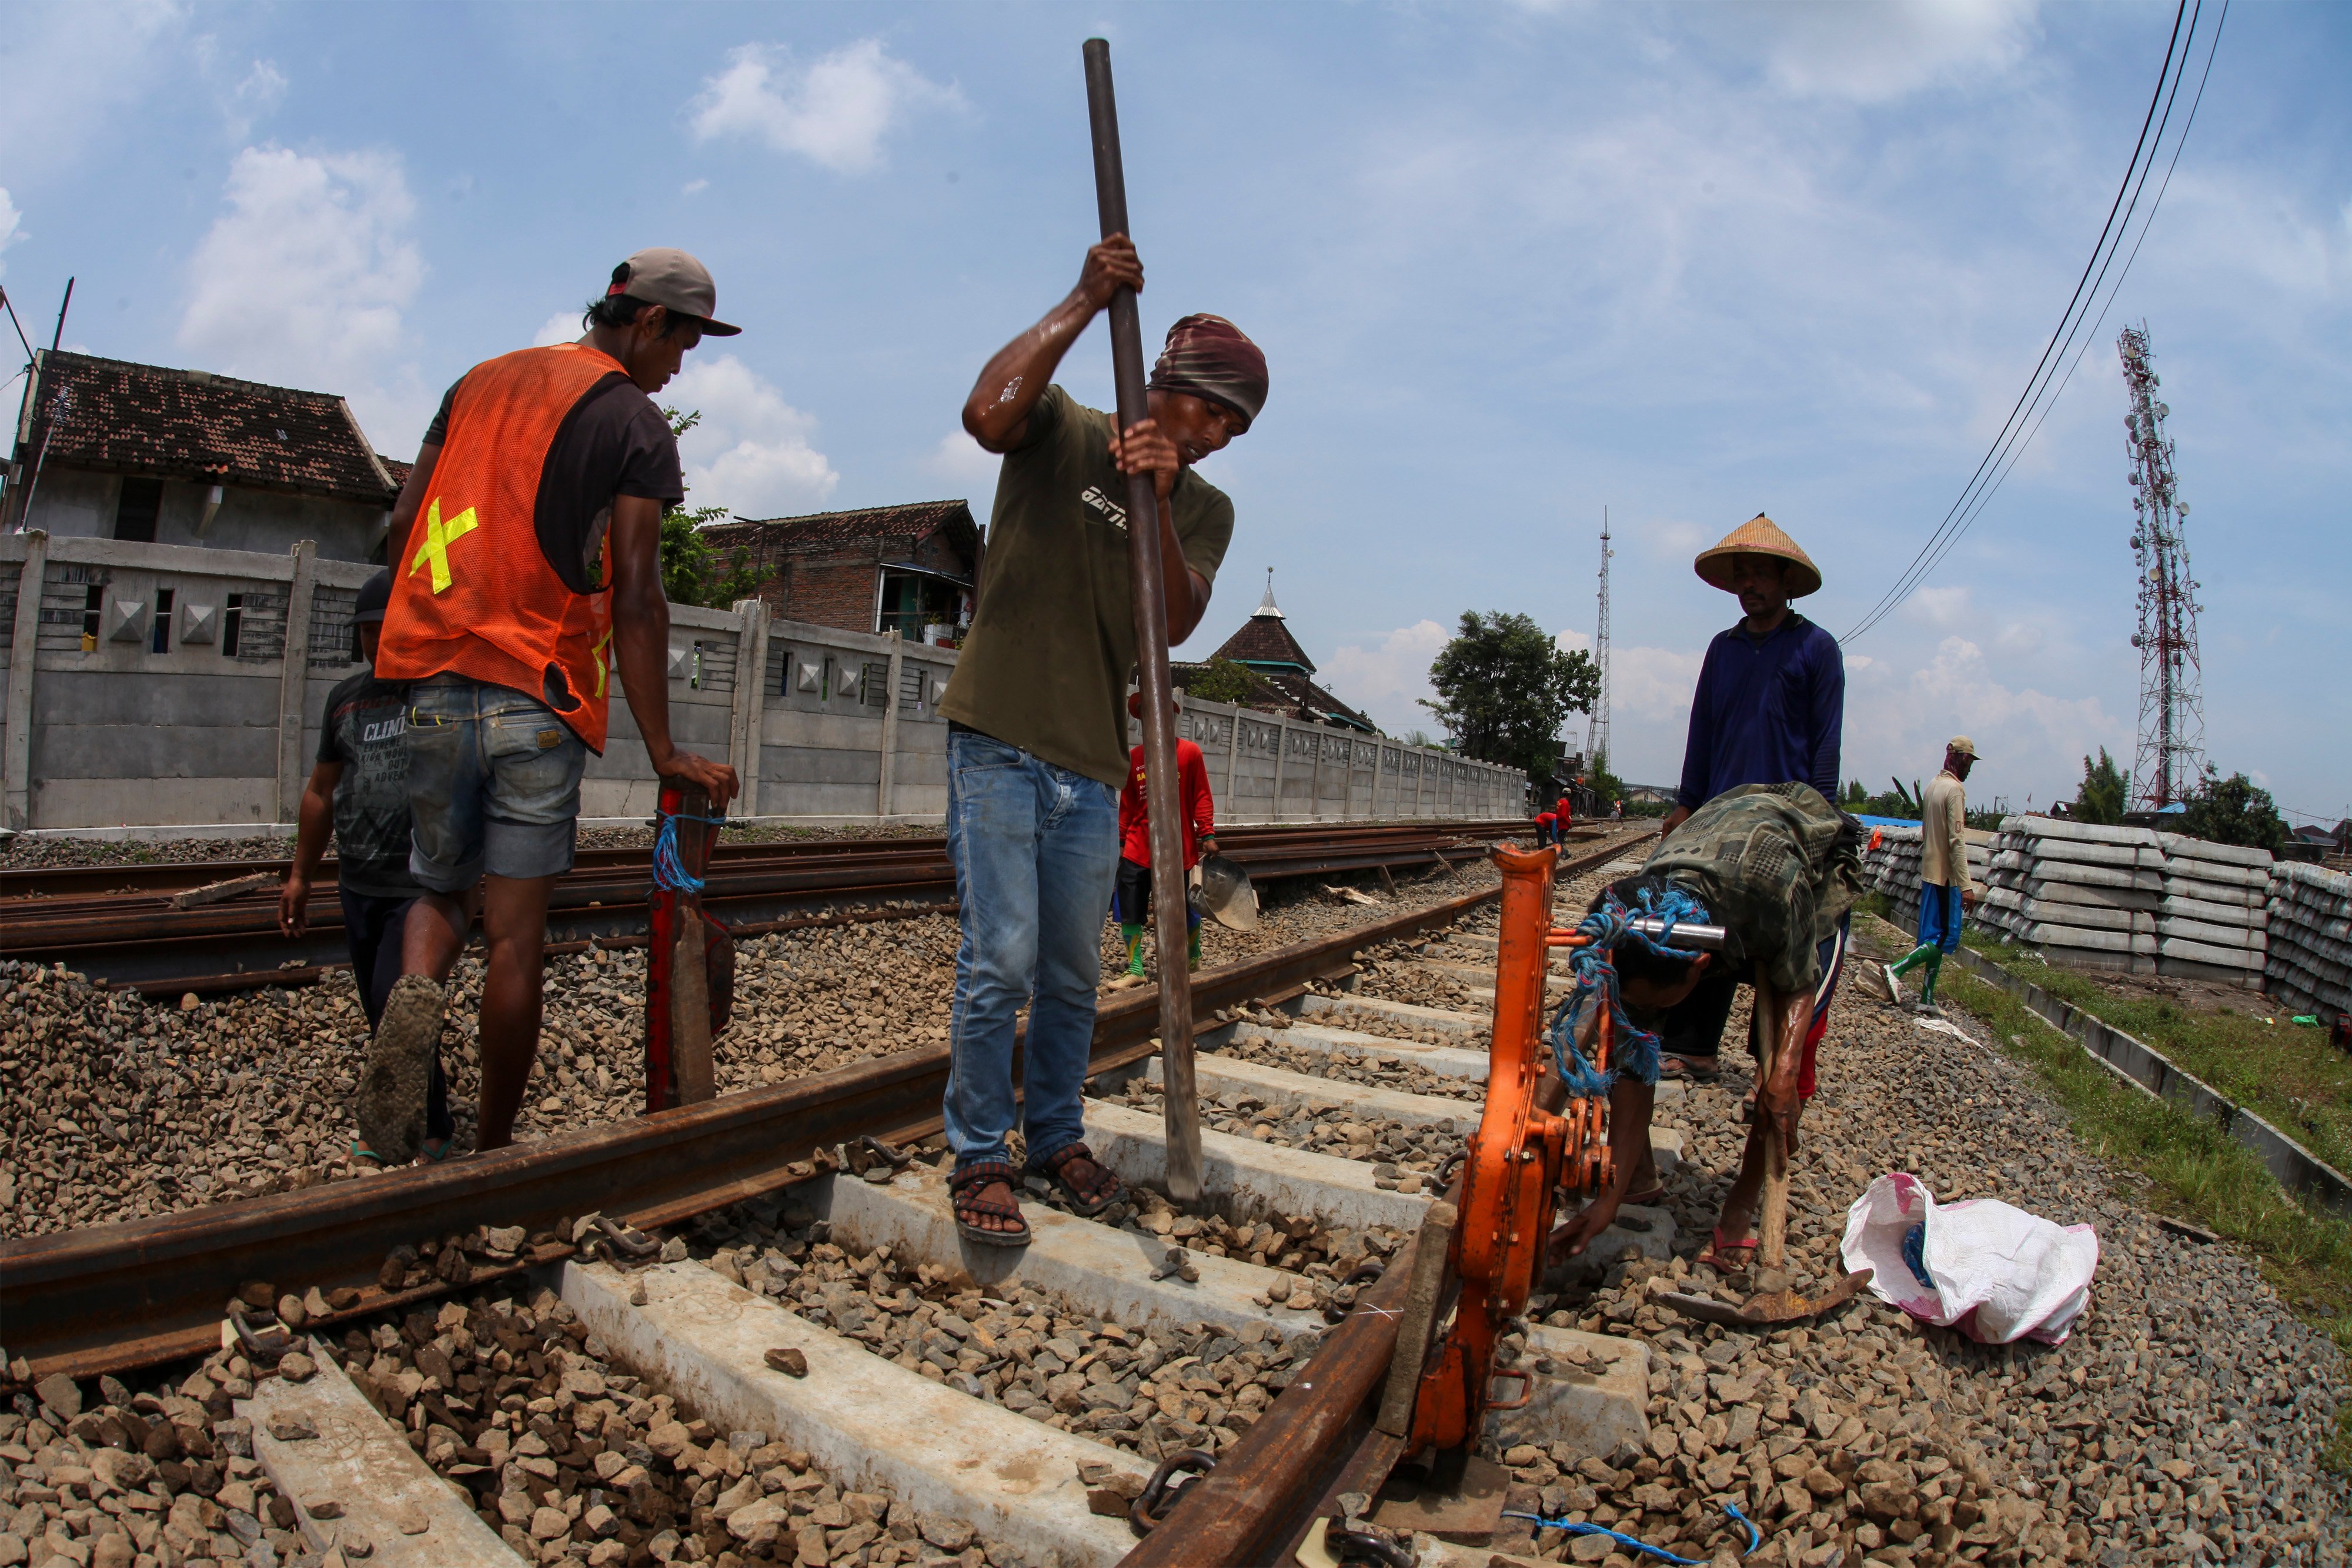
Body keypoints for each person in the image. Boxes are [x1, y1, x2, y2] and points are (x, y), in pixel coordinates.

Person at [361, 248, 741, 1164]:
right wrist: (662, 746)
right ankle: (492, 1146)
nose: (681, 365)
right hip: (541, 690)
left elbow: (402, 525)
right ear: (647, 320)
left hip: (435, 681)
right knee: (516, 944)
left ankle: (415, 988)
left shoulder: (474, 384)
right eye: (684, 342)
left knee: (438, 889)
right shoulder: (635, 422)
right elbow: (640, 594)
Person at [940, 232, 1263, 1246]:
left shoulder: (1205, 502)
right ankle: (981, 1150)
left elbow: (1171, 621)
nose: (1219, 434)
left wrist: (1161, 497)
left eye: (1236, 424)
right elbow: (985, 411)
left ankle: (1055, 1134)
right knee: (1001, 957)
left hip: (1090, 761)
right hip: (998, 731)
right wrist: (1084, 297)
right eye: (1213, 408)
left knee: (1073, 969)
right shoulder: (1066, 431)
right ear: (1168, 382)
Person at [1548, 781, 1863, 1271]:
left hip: (1805, 879)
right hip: (1722, 858)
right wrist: (1607, 1203)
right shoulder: (1646, 910)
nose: (1648, 1012)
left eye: (1655, 1003)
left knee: (1785, 1077)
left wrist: (1780, 1071)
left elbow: (1799, 983)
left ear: (1699, 967)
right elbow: (1635, 1061)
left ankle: (1741, 1202)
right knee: (1633, 1034)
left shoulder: (1773, 894)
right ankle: (1637, 1175)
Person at [1653, 514, 1845, 1084]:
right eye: (1743, 575)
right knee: (1702, 925)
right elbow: (1703, 730)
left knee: (1781, 937)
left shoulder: (1815, 648)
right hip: (1717, 812)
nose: (1750, 586)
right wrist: (1687, 804)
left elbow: (1825, 741)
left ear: (1787, 582)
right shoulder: (1724, 648)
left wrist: (1821, 821)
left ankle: (1772, 1063)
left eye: (1761, 574)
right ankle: (1692, 1047)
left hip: (1785, 813)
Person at [279, 569, 453, 1164]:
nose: (373, 643)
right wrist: (301, 875)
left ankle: (405, 1129)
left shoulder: (437, 693)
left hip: (417, 886)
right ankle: (434, 1116)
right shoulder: (345, 700)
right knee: (381, 1009)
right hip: (357, 883)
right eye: (365, 633)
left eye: (385, 630)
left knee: (394, 1001)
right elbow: (321, 791)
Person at [1115, 692, 1217, 977]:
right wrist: (1122, 841)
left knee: (1186, 907)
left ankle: (1192, 956)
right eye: (1148, 715)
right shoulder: (1134, 759)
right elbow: (1128, 805)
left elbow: (1201, 796)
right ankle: (1135, 968)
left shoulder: (1189, 753)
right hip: (1138, 847)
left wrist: (1207, 832)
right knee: (1131, 906)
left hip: (1179, 850)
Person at [1886, 737, 1980, 1011]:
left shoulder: (1932, 786)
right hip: (1946, 876)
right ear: (1960, 759)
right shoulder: (1954, 791)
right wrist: (1966, 885)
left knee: (1933, 935)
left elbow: (1928, 833)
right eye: (1969, 762)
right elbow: (1956, 840)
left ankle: (1927, 998)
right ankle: (1895, 970)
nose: (1971, 768)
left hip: (1930, 873)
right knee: (1946, 937)